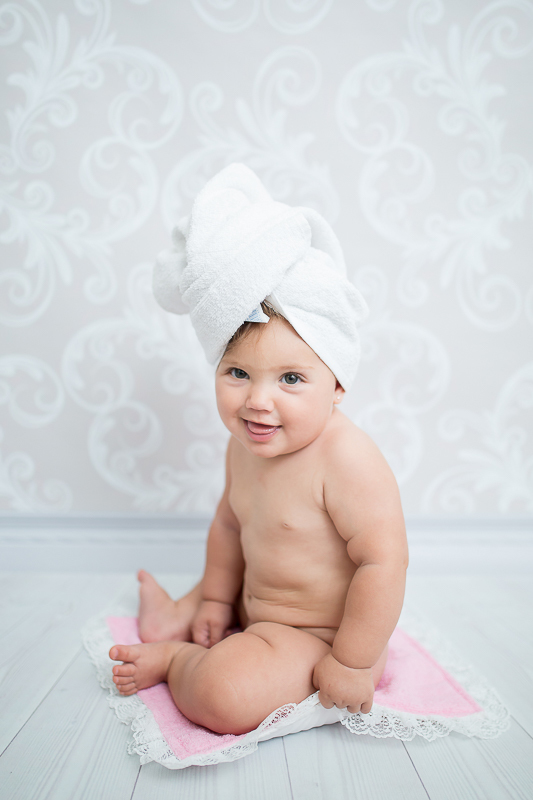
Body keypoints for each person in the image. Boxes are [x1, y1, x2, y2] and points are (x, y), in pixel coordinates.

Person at [109, 165, 408, 736]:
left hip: (316, 633)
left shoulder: (347, 459)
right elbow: (229, 527)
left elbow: (384, 561)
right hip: (255, 605)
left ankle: (178, 660)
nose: (257, 402)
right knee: (220, 580)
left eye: (291, 379)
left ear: (338, 383)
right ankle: (185, 613)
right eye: (239, 373)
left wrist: (350, 660)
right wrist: (220, 604)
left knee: (225, 696)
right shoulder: (247, 445)